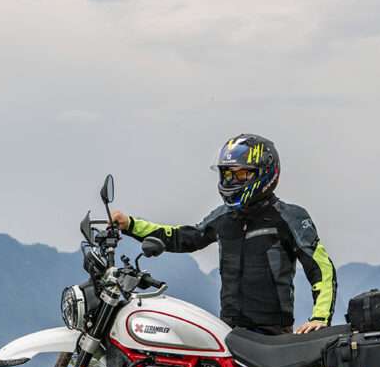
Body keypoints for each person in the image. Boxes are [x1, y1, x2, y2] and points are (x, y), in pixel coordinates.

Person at [111, 133, 337, 335]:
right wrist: (130, 224)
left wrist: (320, 318)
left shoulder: (289, 217)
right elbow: (183, 236)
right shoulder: (224, 217)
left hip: (273, 336)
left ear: (264, 173)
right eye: (228, 174)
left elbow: (320, 268)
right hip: (228, 331)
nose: (232, 180)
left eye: (241, 174)